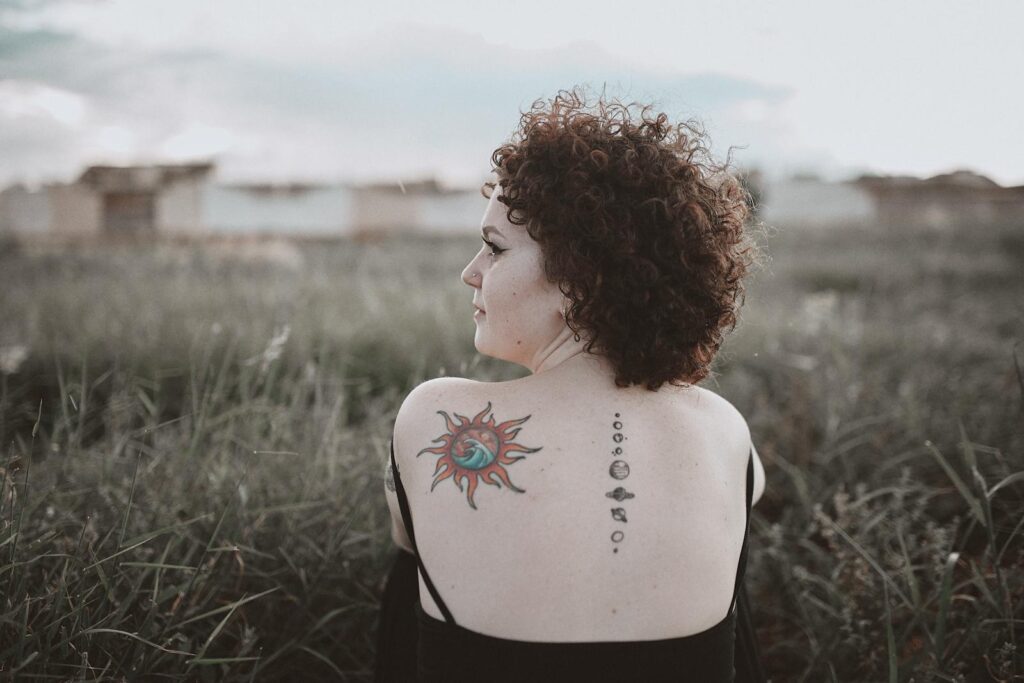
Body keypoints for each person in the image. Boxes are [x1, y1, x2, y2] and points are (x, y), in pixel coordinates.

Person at [375, 86, 767, 682]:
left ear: (575, 281)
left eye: (493, 248)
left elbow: (412, 541)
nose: (469, 273)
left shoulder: (433, 415)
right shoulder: (725, 431)